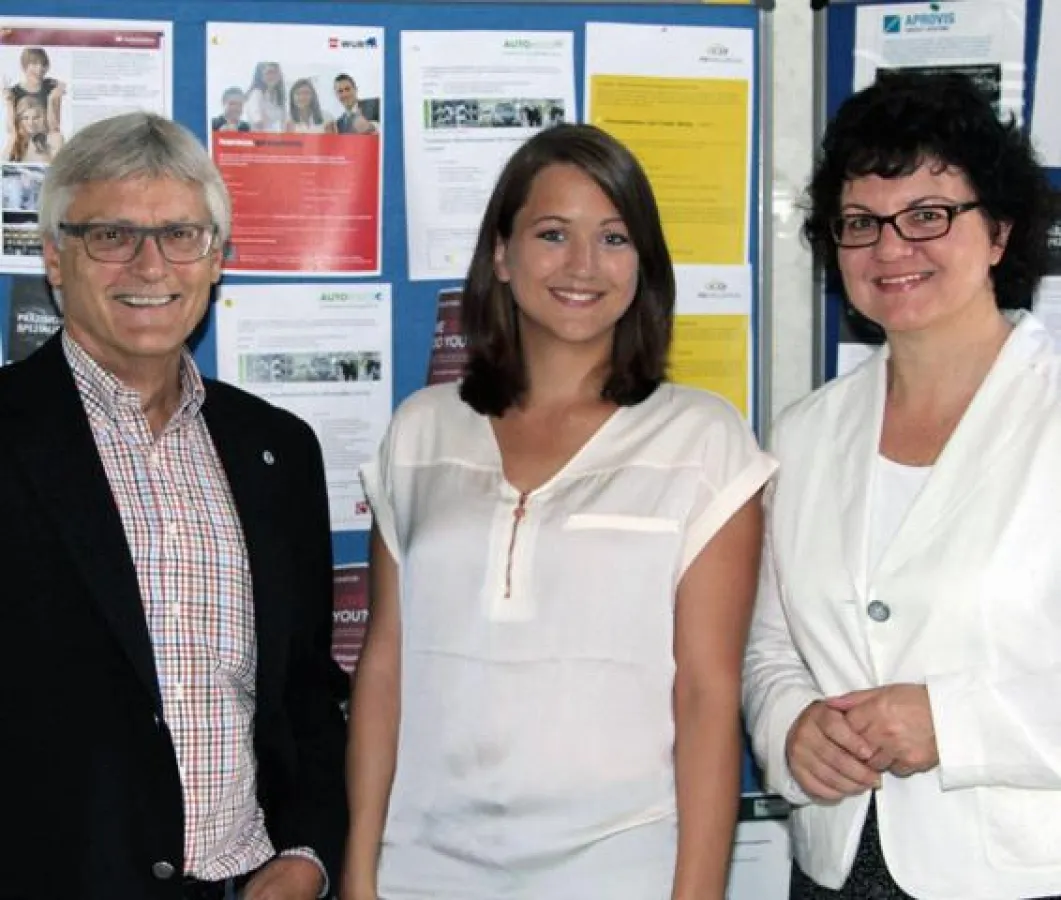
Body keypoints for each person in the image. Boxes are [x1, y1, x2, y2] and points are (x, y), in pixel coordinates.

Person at [343, 123, 776, 900]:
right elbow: (383, 669)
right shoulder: (420, 430)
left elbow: (708, 695)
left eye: (613, 238)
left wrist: (698, 892)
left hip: (623, 869)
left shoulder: (703, 439)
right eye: (552, 234)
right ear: (501, 256)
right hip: (422, 868)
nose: (583, 265)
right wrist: (360, 869)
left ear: (642, 265)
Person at [0, 111, 348, 899]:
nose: (149, 265)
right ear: (55, 257)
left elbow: (304, 688)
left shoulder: (277, 449)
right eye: (111, 235)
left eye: (181, 235)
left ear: (216, 258)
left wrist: (306, 850)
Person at [742, 70, 1061, 900]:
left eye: (927, 214)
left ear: (998, 230)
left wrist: (951, 722)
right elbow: (771, 645)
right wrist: (790, 728)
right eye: (860, 223)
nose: (890, 247)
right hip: (835, 866)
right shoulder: (806, 431)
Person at [4, 46, 64, 135]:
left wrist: (51, 100)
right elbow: (11, 130)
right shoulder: (14, 92)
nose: (40, 68)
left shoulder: (52, 87)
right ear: (24, 66)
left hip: (46, 142)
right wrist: (9, 103)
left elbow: (54, 128)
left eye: (43, 64)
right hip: (23, 143)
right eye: (34, 64)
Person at [2, 94, 64, 163]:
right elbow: (3, 165)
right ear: (19, 120)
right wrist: (14, 135)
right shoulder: (17, 139)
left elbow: (57, 167)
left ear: (43, 118)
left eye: (36, 118)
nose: (31, 123)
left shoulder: (54, 137)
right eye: (25, 118)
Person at [244, 60, 285, 132]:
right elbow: (257, 121)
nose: (273, 76)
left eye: (276, 72)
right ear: (261, 76)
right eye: (269, 73)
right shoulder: (256, 94)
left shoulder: (277, 96)